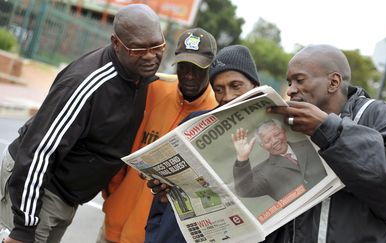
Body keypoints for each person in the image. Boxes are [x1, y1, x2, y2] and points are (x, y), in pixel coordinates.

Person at [0, 4, 165, 243]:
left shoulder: (138, 75)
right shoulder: (87, 85)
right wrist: (23, 227)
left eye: (157, 46)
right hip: (36, 189)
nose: (150, 55)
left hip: (65, 196)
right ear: (116, 43)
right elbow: (39, 152)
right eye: (138, 49)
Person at [265, 44, 386, 242]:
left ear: (333, 82)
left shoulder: (376, 115)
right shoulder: (292, 129)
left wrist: (329, 131)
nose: (290, 90)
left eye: (299, 80)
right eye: (289, 82)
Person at [98, 27, 218, 243]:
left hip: (150, 236)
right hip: (111, 228)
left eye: (198, 68)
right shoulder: (154, 89)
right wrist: (113, 195)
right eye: (184, 66)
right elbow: (122, 142)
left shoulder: (216, 112)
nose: (189, 75)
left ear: (211, 67)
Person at [145, 44, 261, 243]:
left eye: (236, 86)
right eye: (219, 89)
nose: (228, 97)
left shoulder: (272, 134)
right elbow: (161, 201)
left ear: (255, 87)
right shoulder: (193, 122)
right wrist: (161, 191)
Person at [232, 119, 326, 201]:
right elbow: (244, 192)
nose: (275, 141)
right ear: (263, 146)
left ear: (284, 131)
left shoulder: (310, 144)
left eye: (277, 134)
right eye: (267, 140)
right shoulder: (262, 172)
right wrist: (242, 158)